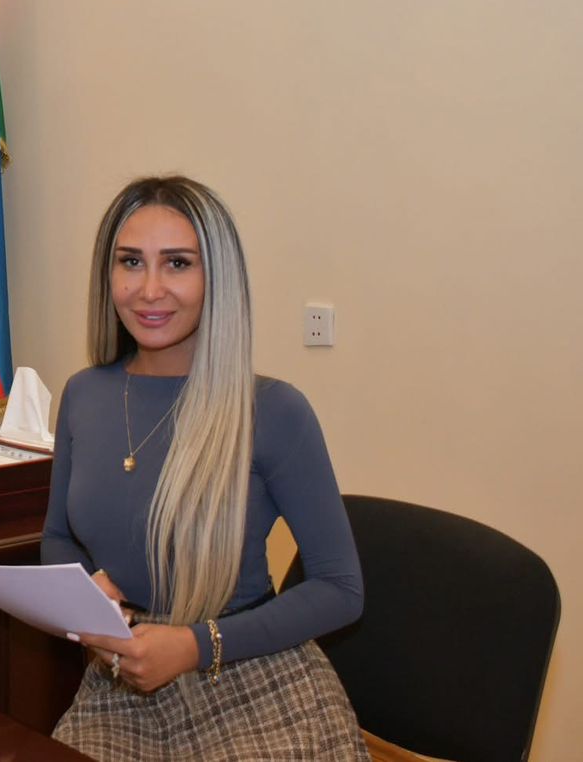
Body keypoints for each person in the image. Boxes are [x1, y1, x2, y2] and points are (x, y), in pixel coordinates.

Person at [42, 175, 366, 761]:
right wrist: (85, 595)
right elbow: (58, 537)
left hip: (248, 674)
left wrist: (194, 646)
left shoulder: (272, 410)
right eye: (131, 262)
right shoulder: (83, 394)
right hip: (121, 679)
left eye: (178, 263)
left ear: (217, 278)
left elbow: (340, 589)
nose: (150, 289)